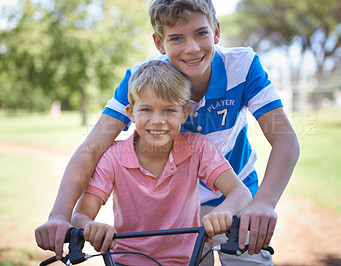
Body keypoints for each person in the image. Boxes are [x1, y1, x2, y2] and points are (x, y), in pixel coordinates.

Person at [35, 0, 300, 265]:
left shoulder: (242, 66)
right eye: (176, 38)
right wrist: (59, 214)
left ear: (216, 31)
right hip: (178, 207)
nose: (192, 48)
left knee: (252, 260)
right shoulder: (143, 79)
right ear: (159, 43)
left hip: (234, 192)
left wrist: (263, 203)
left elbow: (285, 139)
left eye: (201, 33)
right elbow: (92, 148)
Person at [70, 60, 252, 265]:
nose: (158, 120)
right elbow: (80, 216)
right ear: (131, 113)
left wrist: (222, 211)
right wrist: (91, 226)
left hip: (189, 260)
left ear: (184, 113)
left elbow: (240, 192)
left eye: (169, 110)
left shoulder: (198, 148)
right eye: (146, 110)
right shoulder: (113, 157)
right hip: (128, 260)